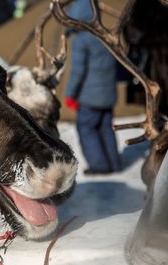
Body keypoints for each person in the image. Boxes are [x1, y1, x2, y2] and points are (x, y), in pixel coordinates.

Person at [64, 0, 121, 174]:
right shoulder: (106, 36)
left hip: (90, 98)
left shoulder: (81, 41)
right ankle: (114, 163)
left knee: (87, 129)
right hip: (108, 95)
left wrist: (70, 95)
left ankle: (99, 165)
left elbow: (78, 72)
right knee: (105, 128)